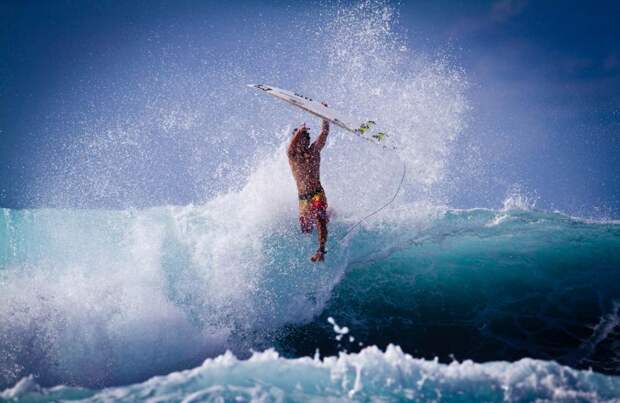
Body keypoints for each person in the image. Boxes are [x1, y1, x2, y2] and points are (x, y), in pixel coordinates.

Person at [287, 104, 330, 262]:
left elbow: (324, 134)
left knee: (320, 220)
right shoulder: (293, 156)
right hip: (303, 199)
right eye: (301, 140)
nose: (304, 143)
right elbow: (291, 146)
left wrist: (325, 116)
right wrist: (300, 130)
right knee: (306, 229)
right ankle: (329, 215)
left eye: (306, 140)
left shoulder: (314, 151)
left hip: (317, 194)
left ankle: (321, 250)